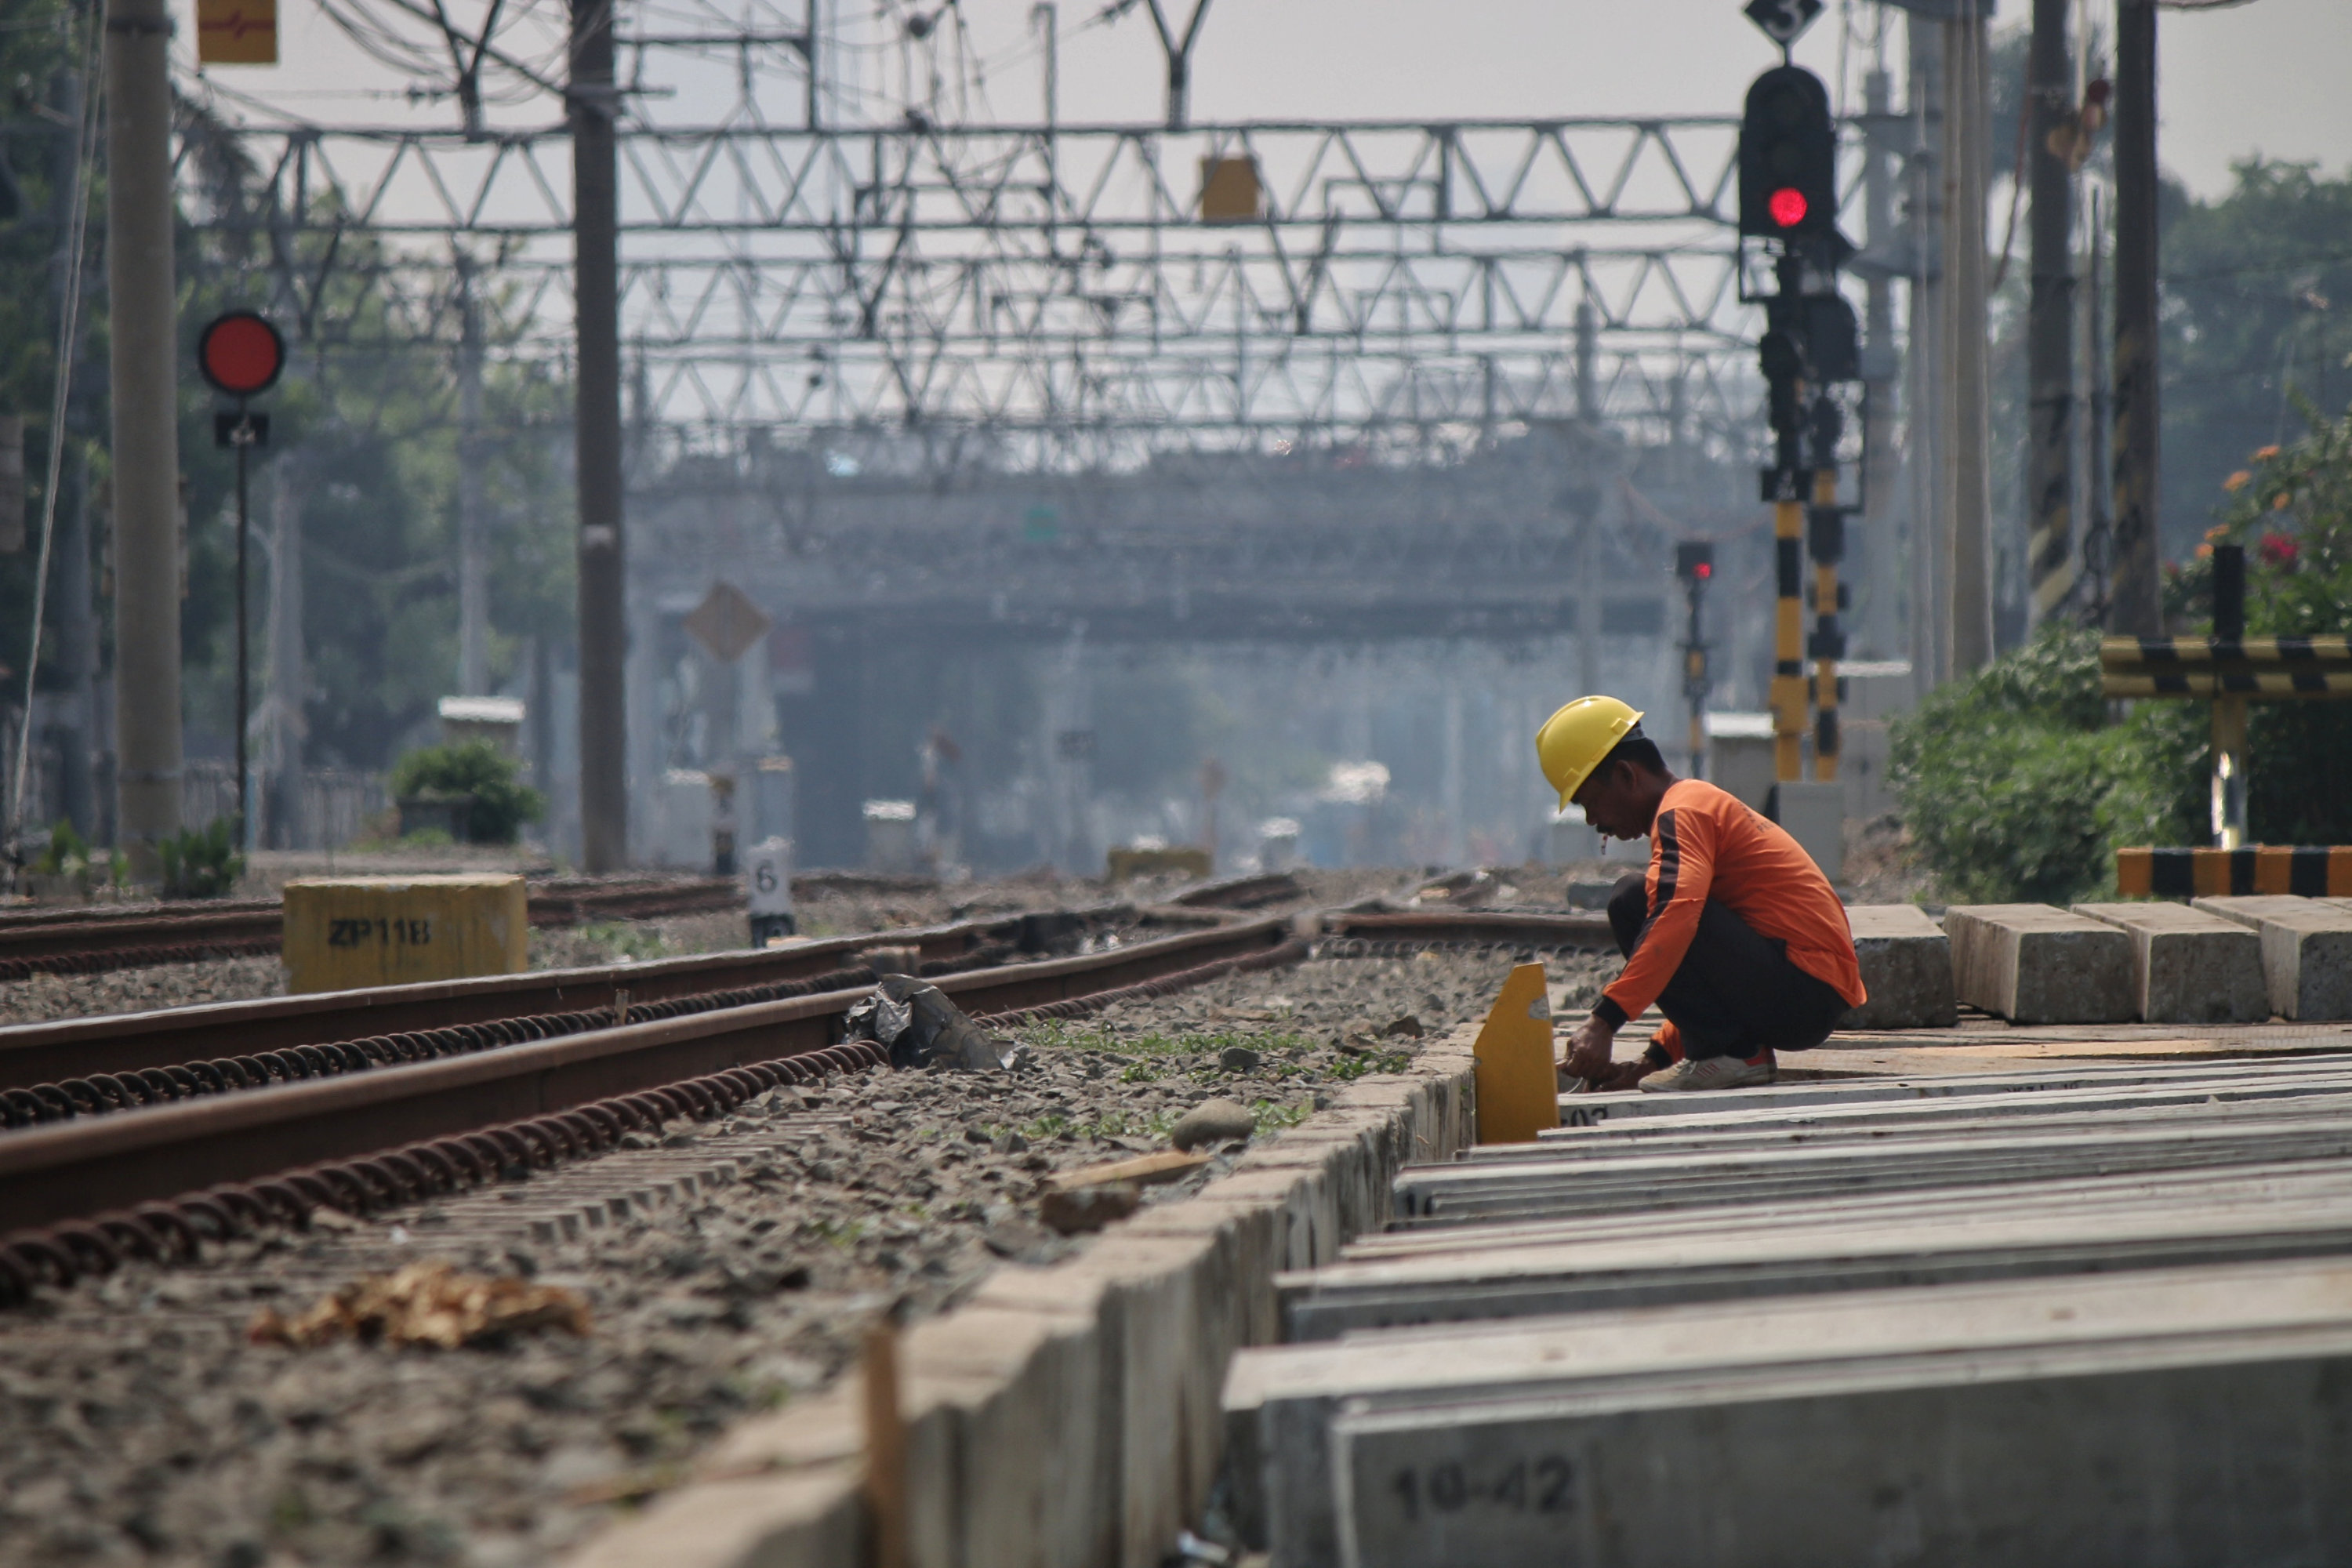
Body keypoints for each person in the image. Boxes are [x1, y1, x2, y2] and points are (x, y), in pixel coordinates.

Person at [1536, 695, 1865, 1092]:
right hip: (1807, 994)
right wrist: (1651, 1062)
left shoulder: (1682, 814)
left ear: (1626, 775)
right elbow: (1706, 972)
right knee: (1655, 904)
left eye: (1590, 802)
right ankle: (1728, 1055)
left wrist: (1604, 1021)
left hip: (1803, 990)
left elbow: (1675, 917)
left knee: (1633, 901)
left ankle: (1734, 1055)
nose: (1592, 821)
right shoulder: (1696, 805)